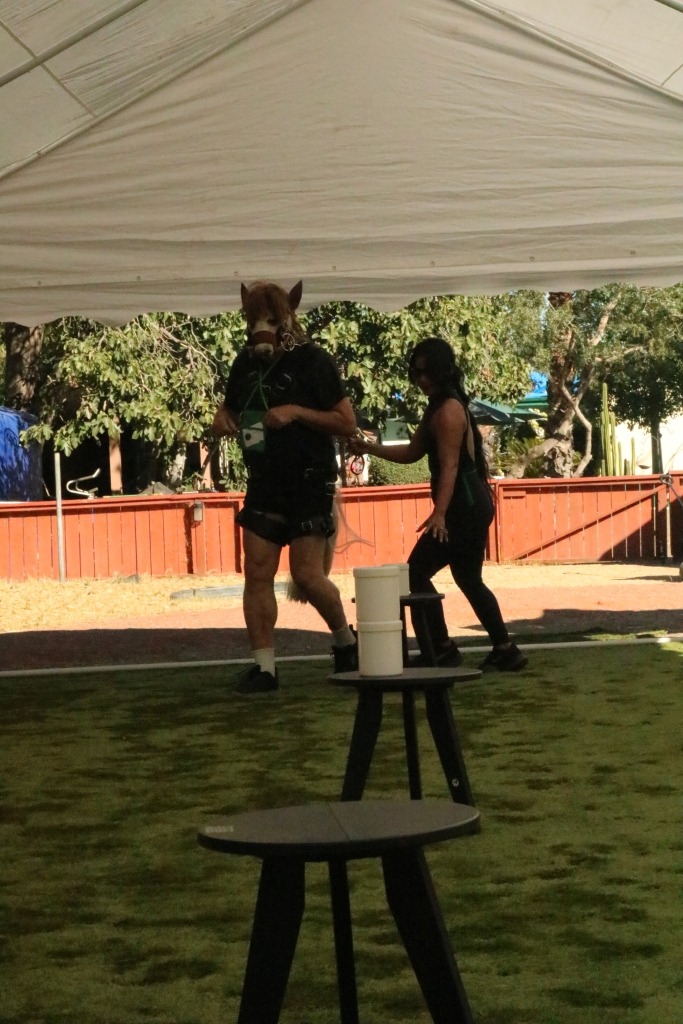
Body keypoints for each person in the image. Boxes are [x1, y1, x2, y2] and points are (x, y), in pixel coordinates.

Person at [213, 279, 359, 694]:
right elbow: (228, 408)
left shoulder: (314, 361)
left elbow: (346, 423)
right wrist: (221, 420)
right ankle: (265, 668)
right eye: (254, 320)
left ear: (287, 319)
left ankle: (346, 641)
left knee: (307, 575)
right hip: (264, 481)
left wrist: (295, 411)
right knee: (256, 572)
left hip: (309, 481)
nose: (262, 330)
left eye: (271, 320)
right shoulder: (244, 364)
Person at [348, 336, 527, 672]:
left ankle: (442, 648)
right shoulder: (439, 405)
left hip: (464, 508)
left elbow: (450, 467)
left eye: (427, 372)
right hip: (471, 505)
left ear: (444, 371)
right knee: (468, 579)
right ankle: (504, 648)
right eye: (417, 372)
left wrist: (440, 514)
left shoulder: (447, 410)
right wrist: (369, 448)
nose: (422, 379)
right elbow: (412, 452)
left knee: (415, 574)